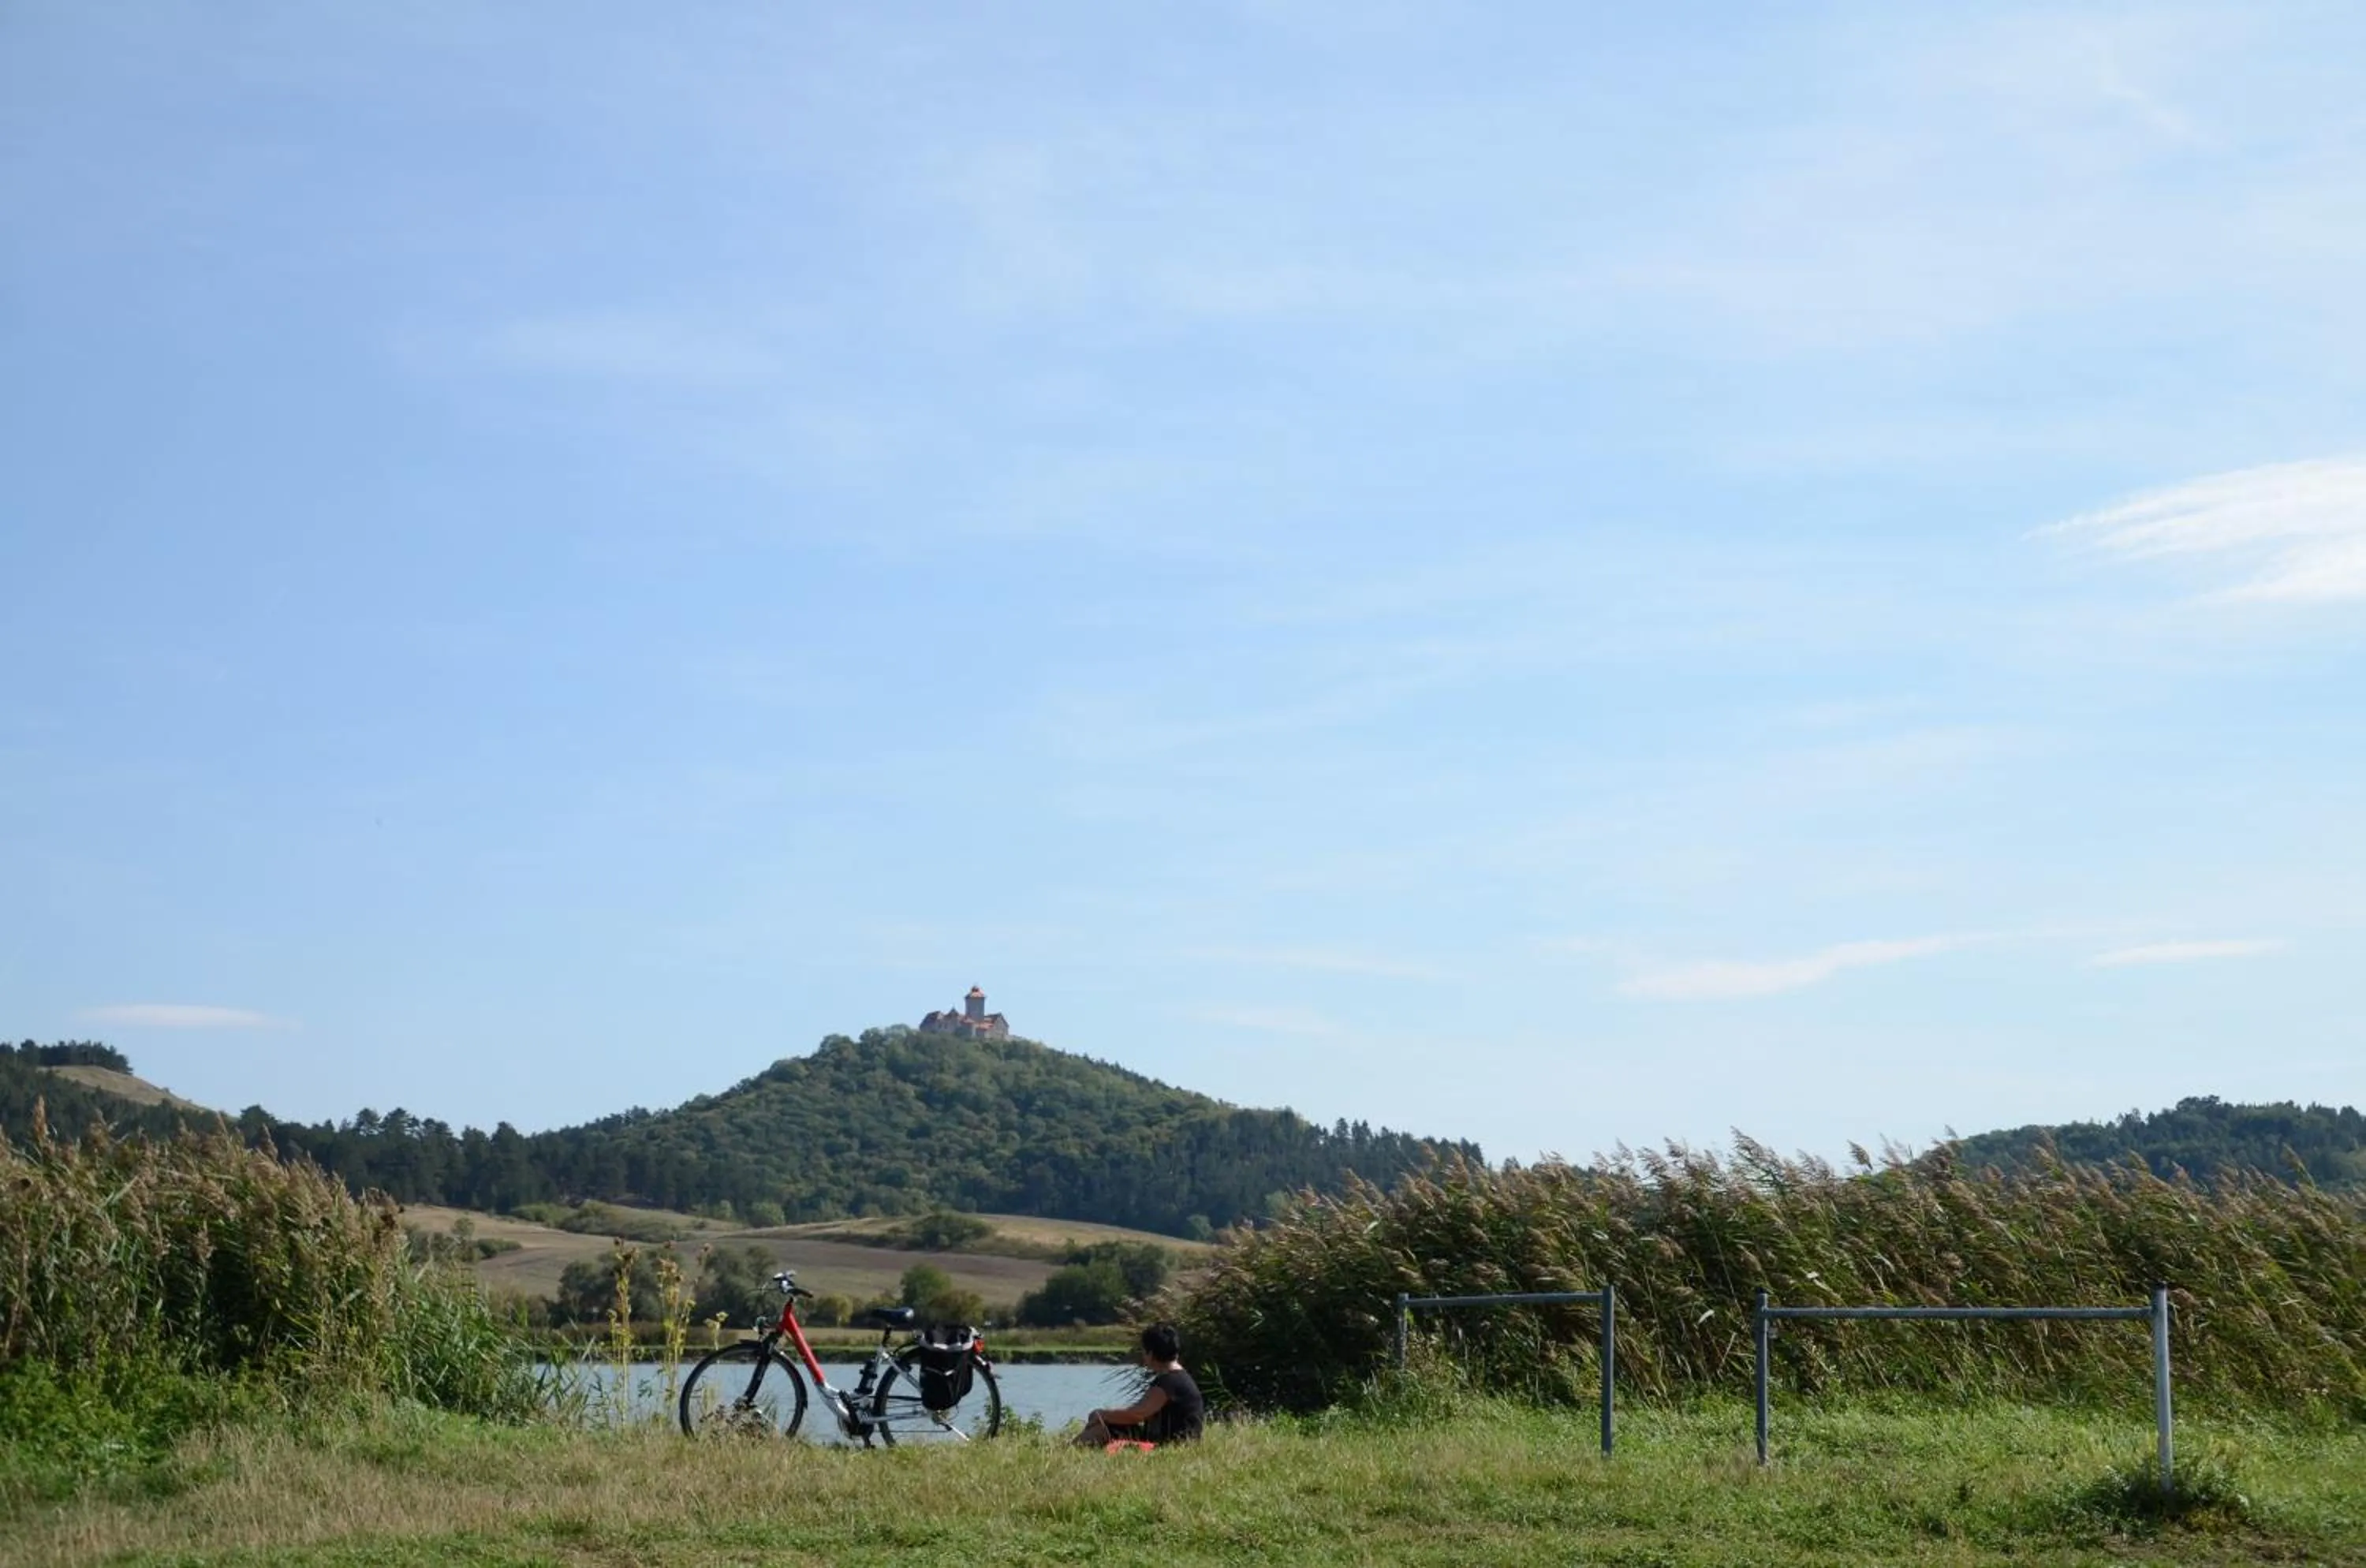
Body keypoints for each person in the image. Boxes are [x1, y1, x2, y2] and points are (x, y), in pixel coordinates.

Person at [1077, 1323, 1204, 1448]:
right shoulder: (1178, 1378)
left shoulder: (1169, 1383)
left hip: (1172, 1445)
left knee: (1105, 1428)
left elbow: (1137, 1414)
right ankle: (1070, 1449)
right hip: (1167, 1441)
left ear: (1150, 1353)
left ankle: (1070, 1449)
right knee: (1108, 1426)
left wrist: (1101, 1414)